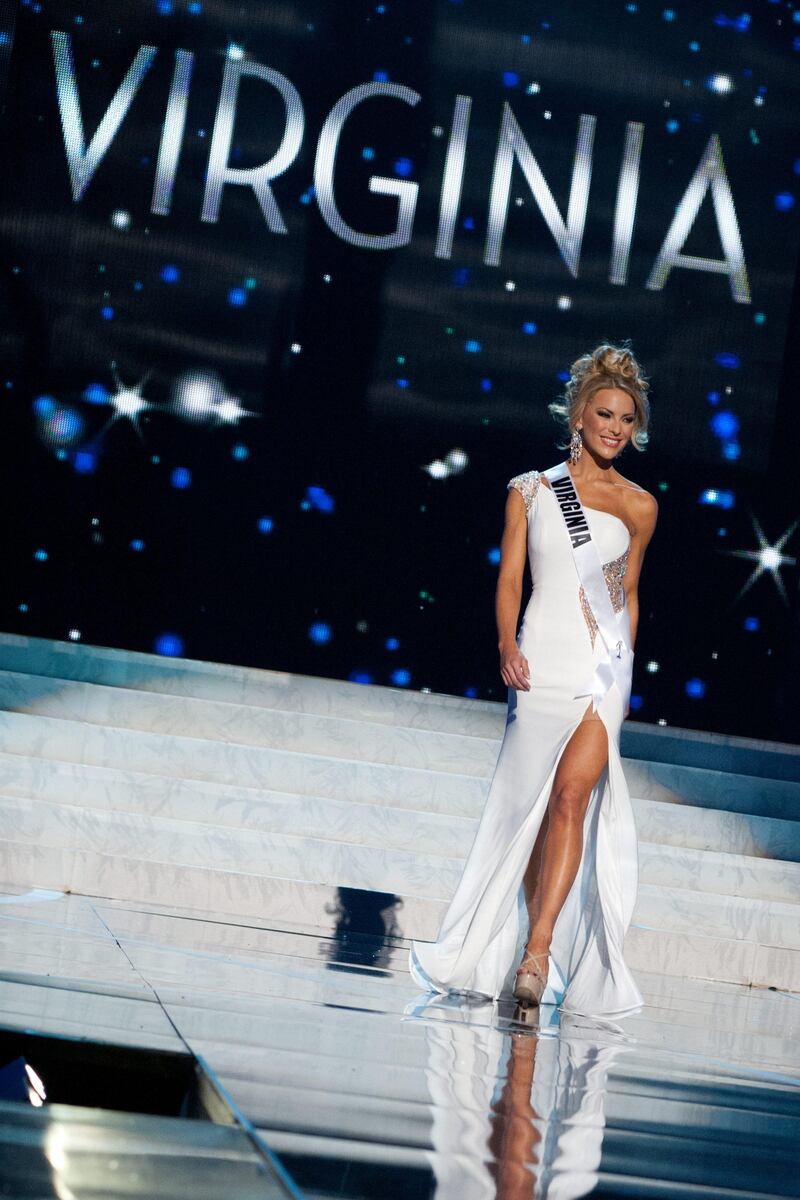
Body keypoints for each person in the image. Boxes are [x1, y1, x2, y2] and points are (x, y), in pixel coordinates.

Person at [409, 343, 658, 1017]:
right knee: (528, 811)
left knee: (573, 800)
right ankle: (512, 935)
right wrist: (503, 644)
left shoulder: (640, 506)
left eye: (626, 419)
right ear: (578, 415)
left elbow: (626, 593)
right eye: (604, 413)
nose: (614, 427)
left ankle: (538, 949)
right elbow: (511, 579)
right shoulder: (532, 490)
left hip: (601, 669)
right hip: (540, 658)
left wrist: (624, 671)